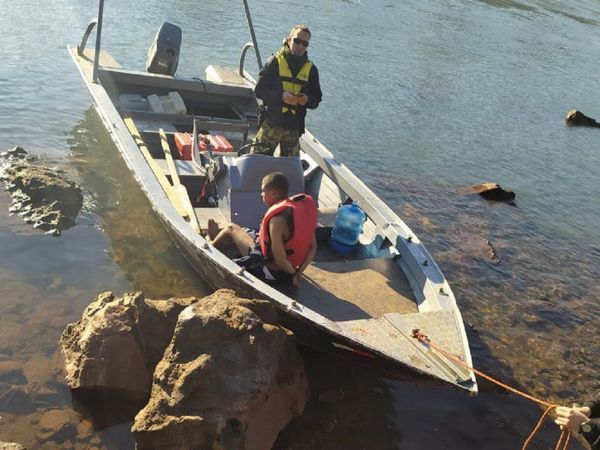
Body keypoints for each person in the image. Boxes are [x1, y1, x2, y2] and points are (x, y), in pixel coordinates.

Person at [208, 172, 318, 288]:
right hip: (291, 267)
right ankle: (218, 238)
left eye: (263, 191)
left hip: (272, 272)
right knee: (246, 231)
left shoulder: (277, 221)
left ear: (273, 193)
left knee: (231, 228)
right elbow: (313, 247)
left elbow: (280, 259)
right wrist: (299, 271)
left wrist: (294, 275)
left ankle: (210, 246)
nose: (261, 195)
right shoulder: (299, 212)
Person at [251, 24, 322, 157]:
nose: (300, 46)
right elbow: (259, 91)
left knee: (290, 167)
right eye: (297, 41)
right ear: (289, 40)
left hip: (294, 129)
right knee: (256, 160)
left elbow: (316, 100)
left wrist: (307, 100)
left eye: (305, 43)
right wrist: (281, 96)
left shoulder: (312, 70)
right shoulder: (274, 62)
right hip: (272, 123)